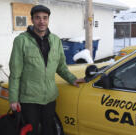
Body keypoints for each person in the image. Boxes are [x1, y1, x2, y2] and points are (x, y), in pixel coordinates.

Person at [9, 5, 85, 135]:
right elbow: (15, 72)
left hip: (49, 97)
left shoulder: (55, 40)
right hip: (29, 98)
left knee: (48, 128)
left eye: (45, 18)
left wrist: (72, 79)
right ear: (32, 20)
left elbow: (61, 66)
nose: (41, 21)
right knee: (31, 130)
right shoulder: (21, 41)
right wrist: (14, 99)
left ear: (48, 20)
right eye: (38, 18)